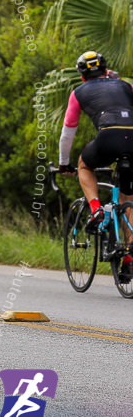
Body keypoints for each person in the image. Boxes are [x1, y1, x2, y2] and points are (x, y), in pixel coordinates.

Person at [58, 51, 133, 271]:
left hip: (109, 136)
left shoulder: (79, 92)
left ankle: (96, 209)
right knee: (130, 199)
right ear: (107, 71)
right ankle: (129, 258)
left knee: (84, 165)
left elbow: (67, 133)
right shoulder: (126, 86)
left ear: (82, 77)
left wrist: (64, 163)